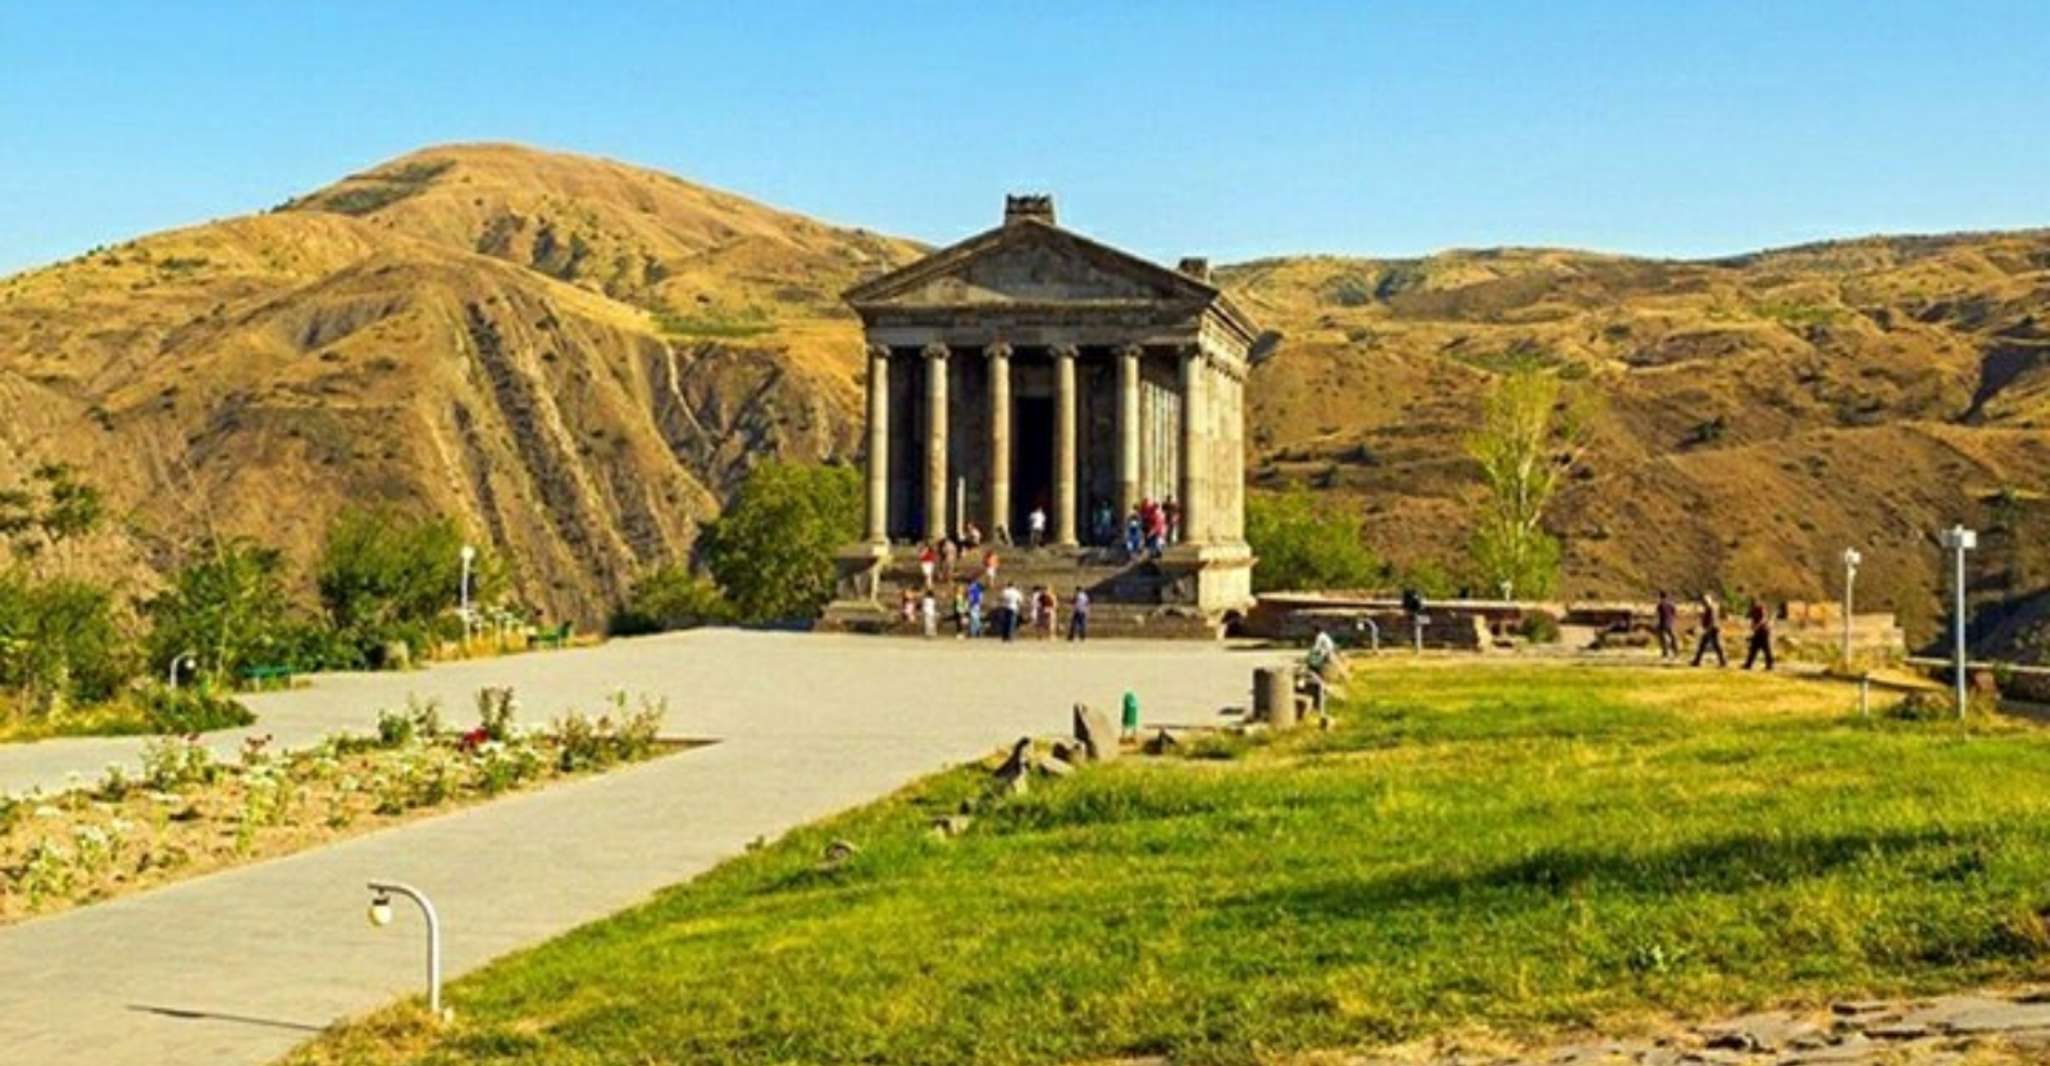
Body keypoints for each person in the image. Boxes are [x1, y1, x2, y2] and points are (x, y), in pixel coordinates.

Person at [1692, 593, 1727, 667]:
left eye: (1705, 601)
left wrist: (1708, 630)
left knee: (1717, 646)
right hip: (1710, 629)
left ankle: (1723, 661)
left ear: (1709, 600)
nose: (1704, 603)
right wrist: (1701, 615)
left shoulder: (1711, 608)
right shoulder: (1709, 608)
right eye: (1703, 601)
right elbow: (1706, 618)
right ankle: (1697, 661)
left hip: (1713, 629)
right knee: (1703, 645)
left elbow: (1712, 620)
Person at [1744, 598, 1775, 670]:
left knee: (1767, 649)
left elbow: (1763, 619)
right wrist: (1752, 626)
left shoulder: (1761, 608)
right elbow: (1752, 619)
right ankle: (1748, 665)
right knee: (1753, 649)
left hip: (1764, 631)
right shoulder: (1753, 610)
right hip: (1757, 632)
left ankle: (1770, 665)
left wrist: (1757, 626)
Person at [1654, 590, 1680, 660]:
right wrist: (1673, 620)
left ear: (1660, 596)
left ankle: (1665, 653)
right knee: (1673, 638)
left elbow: (1657, 615)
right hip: (1670, 623)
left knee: (1663, 639)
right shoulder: (1671, 604)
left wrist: (1656, 624)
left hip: (1662, 623)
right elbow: (1675, 613)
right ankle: (1676, 652)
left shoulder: (1660, 605)